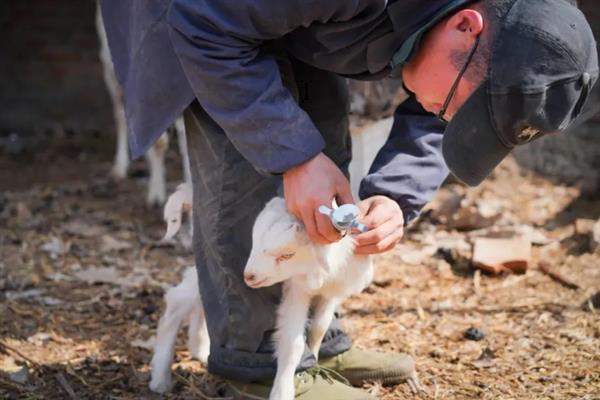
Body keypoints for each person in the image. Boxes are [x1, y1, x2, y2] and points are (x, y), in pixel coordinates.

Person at [100, 0, 598, 398]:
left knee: (323, 131)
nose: (452, 120)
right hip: (202, 17)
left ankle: (317, 340)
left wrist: (395, 196)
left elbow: (439, 114)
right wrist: (293, 158)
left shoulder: (496, 25)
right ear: (465, 26)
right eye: (460, 111)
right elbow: (206, 24)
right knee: (249, 159)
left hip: (289, 16)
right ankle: (259, 365)